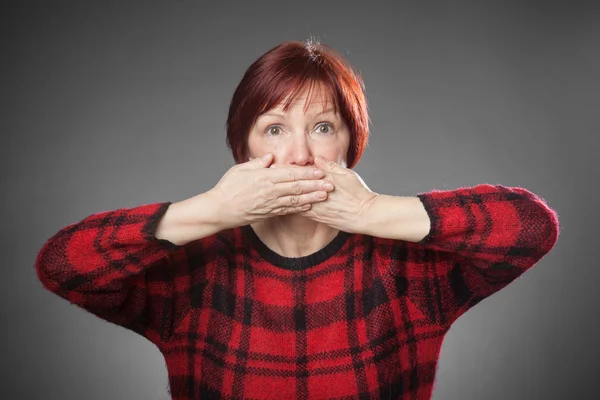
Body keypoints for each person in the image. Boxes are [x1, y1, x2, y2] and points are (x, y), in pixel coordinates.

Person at [35, 39, 560, 400]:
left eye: (324, 126)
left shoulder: (407, 268)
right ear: (243, 146)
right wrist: (212, 209)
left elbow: (532, 227)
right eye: (274, 129)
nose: (300, 155)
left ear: (351, 142)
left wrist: (371, 211)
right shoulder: (192, 272)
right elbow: (62, 264)